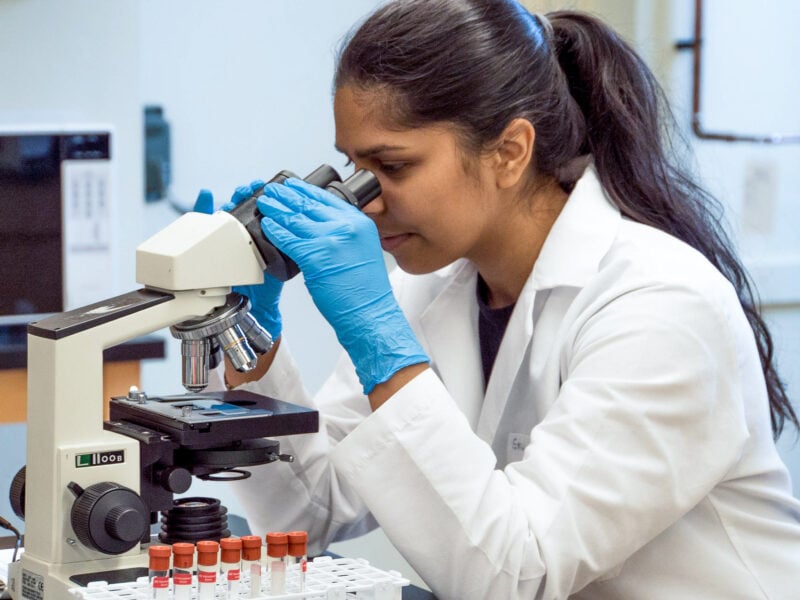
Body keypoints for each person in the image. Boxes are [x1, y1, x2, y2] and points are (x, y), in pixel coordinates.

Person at [203, 0, 800, 597]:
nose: (361, 200)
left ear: (510, 151)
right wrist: (249, 345)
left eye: (390, 165)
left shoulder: (660, 304)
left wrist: (378, 339)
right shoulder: (432, 287)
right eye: (351, 165)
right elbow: (312, 512)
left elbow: (518, 575)